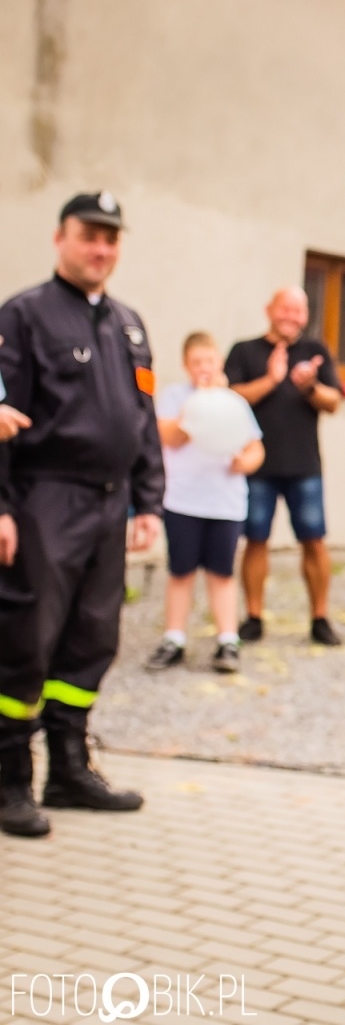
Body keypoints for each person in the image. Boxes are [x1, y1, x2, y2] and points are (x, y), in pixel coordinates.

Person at [0, 191, 162, 839]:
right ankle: (10, 776)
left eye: (111, 238)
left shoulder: (129, 324)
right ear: (60, 237)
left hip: (108, 501)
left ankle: (68, 767)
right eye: (89, 235)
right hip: (44, 499)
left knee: (93, 636)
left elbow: (142, 417)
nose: (101, 248)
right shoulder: (23, 316)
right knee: (25, 639)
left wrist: (148, 499)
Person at [225, 287, 344, 646]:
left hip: (304, 465)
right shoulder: (244, 351)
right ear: (269, 310)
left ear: (306, 316)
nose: (292, 316)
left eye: (299, 310)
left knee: (314, 542)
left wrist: (309, 387)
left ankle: (320, 618)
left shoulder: (315, 352)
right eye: (285, 309)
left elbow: (334, 401)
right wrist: (271, 380)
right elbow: (229, 397)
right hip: (257, 466)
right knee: (256, 541)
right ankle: (254, 616)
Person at [143, 332, 265, 675]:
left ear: (219, 364)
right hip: (183, 501)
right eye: (196, 363)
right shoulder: (174, 398)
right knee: (180, 571)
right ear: (186, 365)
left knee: (222, 573)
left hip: (224, 503)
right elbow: (169, 436)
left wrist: (246, 462)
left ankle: (228, 639)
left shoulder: (235, 402)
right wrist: (196, 408)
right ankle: (174, 638)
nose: (203, 369)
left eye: (208, 362)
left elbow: (255, 447)